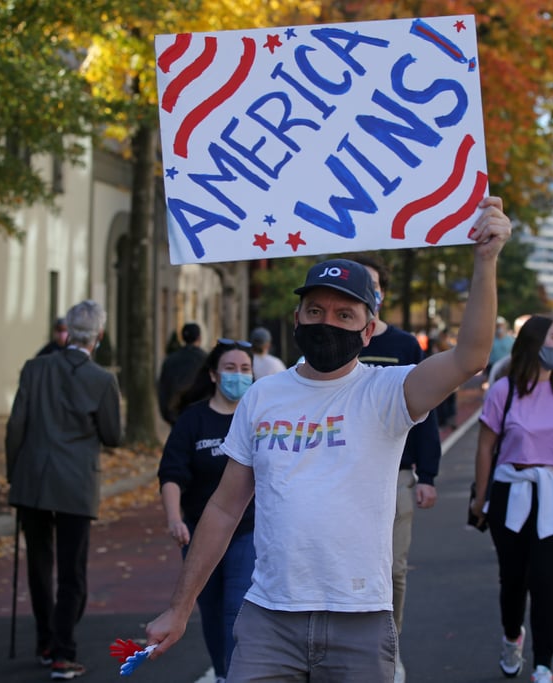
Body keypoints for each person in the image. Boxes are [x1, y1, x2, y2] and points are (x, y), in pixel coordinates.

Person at [143, 196, 512, 682]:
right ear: (296, 320)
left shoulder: (389, 391)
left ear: (369, 330)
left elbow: (470, 356)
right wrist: (180, 607)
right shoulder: (263, 396)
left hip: (359, 622)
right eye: (315, 311)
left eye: (344, 315)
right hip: (268, 620)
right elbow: (224, 509)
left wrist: (485, 262)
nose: (326, 323)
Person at [471, 314, 553, 683]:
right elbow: (486, 447)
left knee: (546, 579)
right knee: (513, 578)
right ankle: (512, 635)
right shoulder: (504, 390)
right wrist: (480, 498)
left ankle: (544, 663)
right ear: (534, 344)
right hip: (509, 490)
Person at [5, 300, 122, 680]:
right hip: (76, 482)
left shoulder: (34, 368)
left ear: (68, 332)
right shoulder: (103, 380)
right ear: (99, 336)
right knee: (72, 570)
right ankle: (62, 650)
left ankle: (45, 641)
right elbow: (112, 436)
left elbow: (15, 427)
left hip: (32, 481)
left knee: (40, 565)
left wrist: (14, 475)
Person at [350, 253, 442, 683]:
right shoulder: (330, 341)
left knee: (392, 569)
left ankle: (389, 647)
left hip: (397, 474)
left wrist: (428, 475)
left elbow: (426, 411)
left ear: (381, 293)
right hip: (342, 473)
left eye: (370, 284)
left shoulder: (404, 345)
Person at [159, 340, 257, 683]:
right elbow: (171, 474)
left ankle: (236, 675)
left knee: (236, 612)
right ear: (214, 375)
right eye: (231, 369)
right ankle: (221, 673)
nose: (239, 376)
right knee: (212, 613)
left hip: (247, 532)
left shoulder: (259, 417)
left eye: (246, 369)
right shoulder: (193, 420)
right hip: (200, 533)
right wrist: (174, 519)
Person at [157, 323, 208, 426]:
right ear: (199, 338)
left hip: (176, 416)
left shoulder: (170, 360)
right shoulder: (205, 360)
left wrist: (169, 415)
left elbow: (163, 388)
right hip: (198, 417)